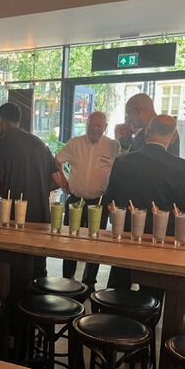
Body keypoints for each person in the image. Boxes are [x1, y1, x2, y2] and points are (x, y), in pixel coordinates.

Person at [104, 115, 185, 290]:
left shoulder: (123, 161)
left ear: (147, 132)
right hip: (161, 237)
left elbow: (110, 199)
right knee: (153, 291)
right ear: (174, 137)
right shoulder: (180, 166)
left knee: (118, 287)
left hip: (126, 232)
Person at [0, 102, 62, 277]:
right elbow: (57, 181)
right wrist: (37, 188)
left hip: (15, 220)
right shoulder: (39, 143)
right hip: (41, 219)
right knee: (38, 271)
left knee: (16, 272)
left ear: (0, 121)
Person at [56, 111, 120, 292]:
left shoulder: (113, 146)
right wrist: (63, 180)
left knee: (95, 243)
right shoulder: (75, 143)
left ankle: (90, 281)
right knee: (70, 240)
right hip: (76, 200)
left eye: (98, 125)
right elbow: (57, 160)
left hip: (99, 202)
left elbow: (122, 167)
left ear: (105, 127)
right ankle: (67, 279)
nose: (94, 128)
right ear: (86, 124)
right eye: (91, 124)